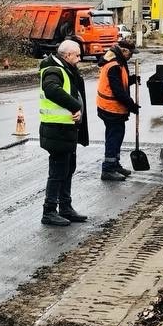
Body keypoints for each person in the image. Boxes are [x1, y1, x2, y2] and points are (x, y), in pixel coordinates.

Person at [38, 38, 90, 226]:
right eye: (77, 55)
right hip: (56, 130)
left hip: (66, 130)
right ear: (67, 55)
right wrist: (75, 106)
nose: (80, 58)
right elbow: (51, 89)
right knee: (58, 172)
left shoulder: (66, 68)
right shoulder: (54, 70)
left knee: (68, 169)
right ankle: (49, 211)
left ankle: (65, 207)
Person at [96, 38, 139, 181]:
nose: (131, 56)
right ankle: (108, 169)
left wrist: (132, 79)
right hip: (110, 108)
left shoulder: (118, 61)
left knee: (117, 135)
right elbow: (118, 91)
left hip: (111, 108)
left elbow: (121, 82)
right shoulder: (114, 64)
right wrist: (131, 105)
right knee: (114, 137)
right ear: (124, 50)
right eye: (131, 53)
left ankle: (115, 164)